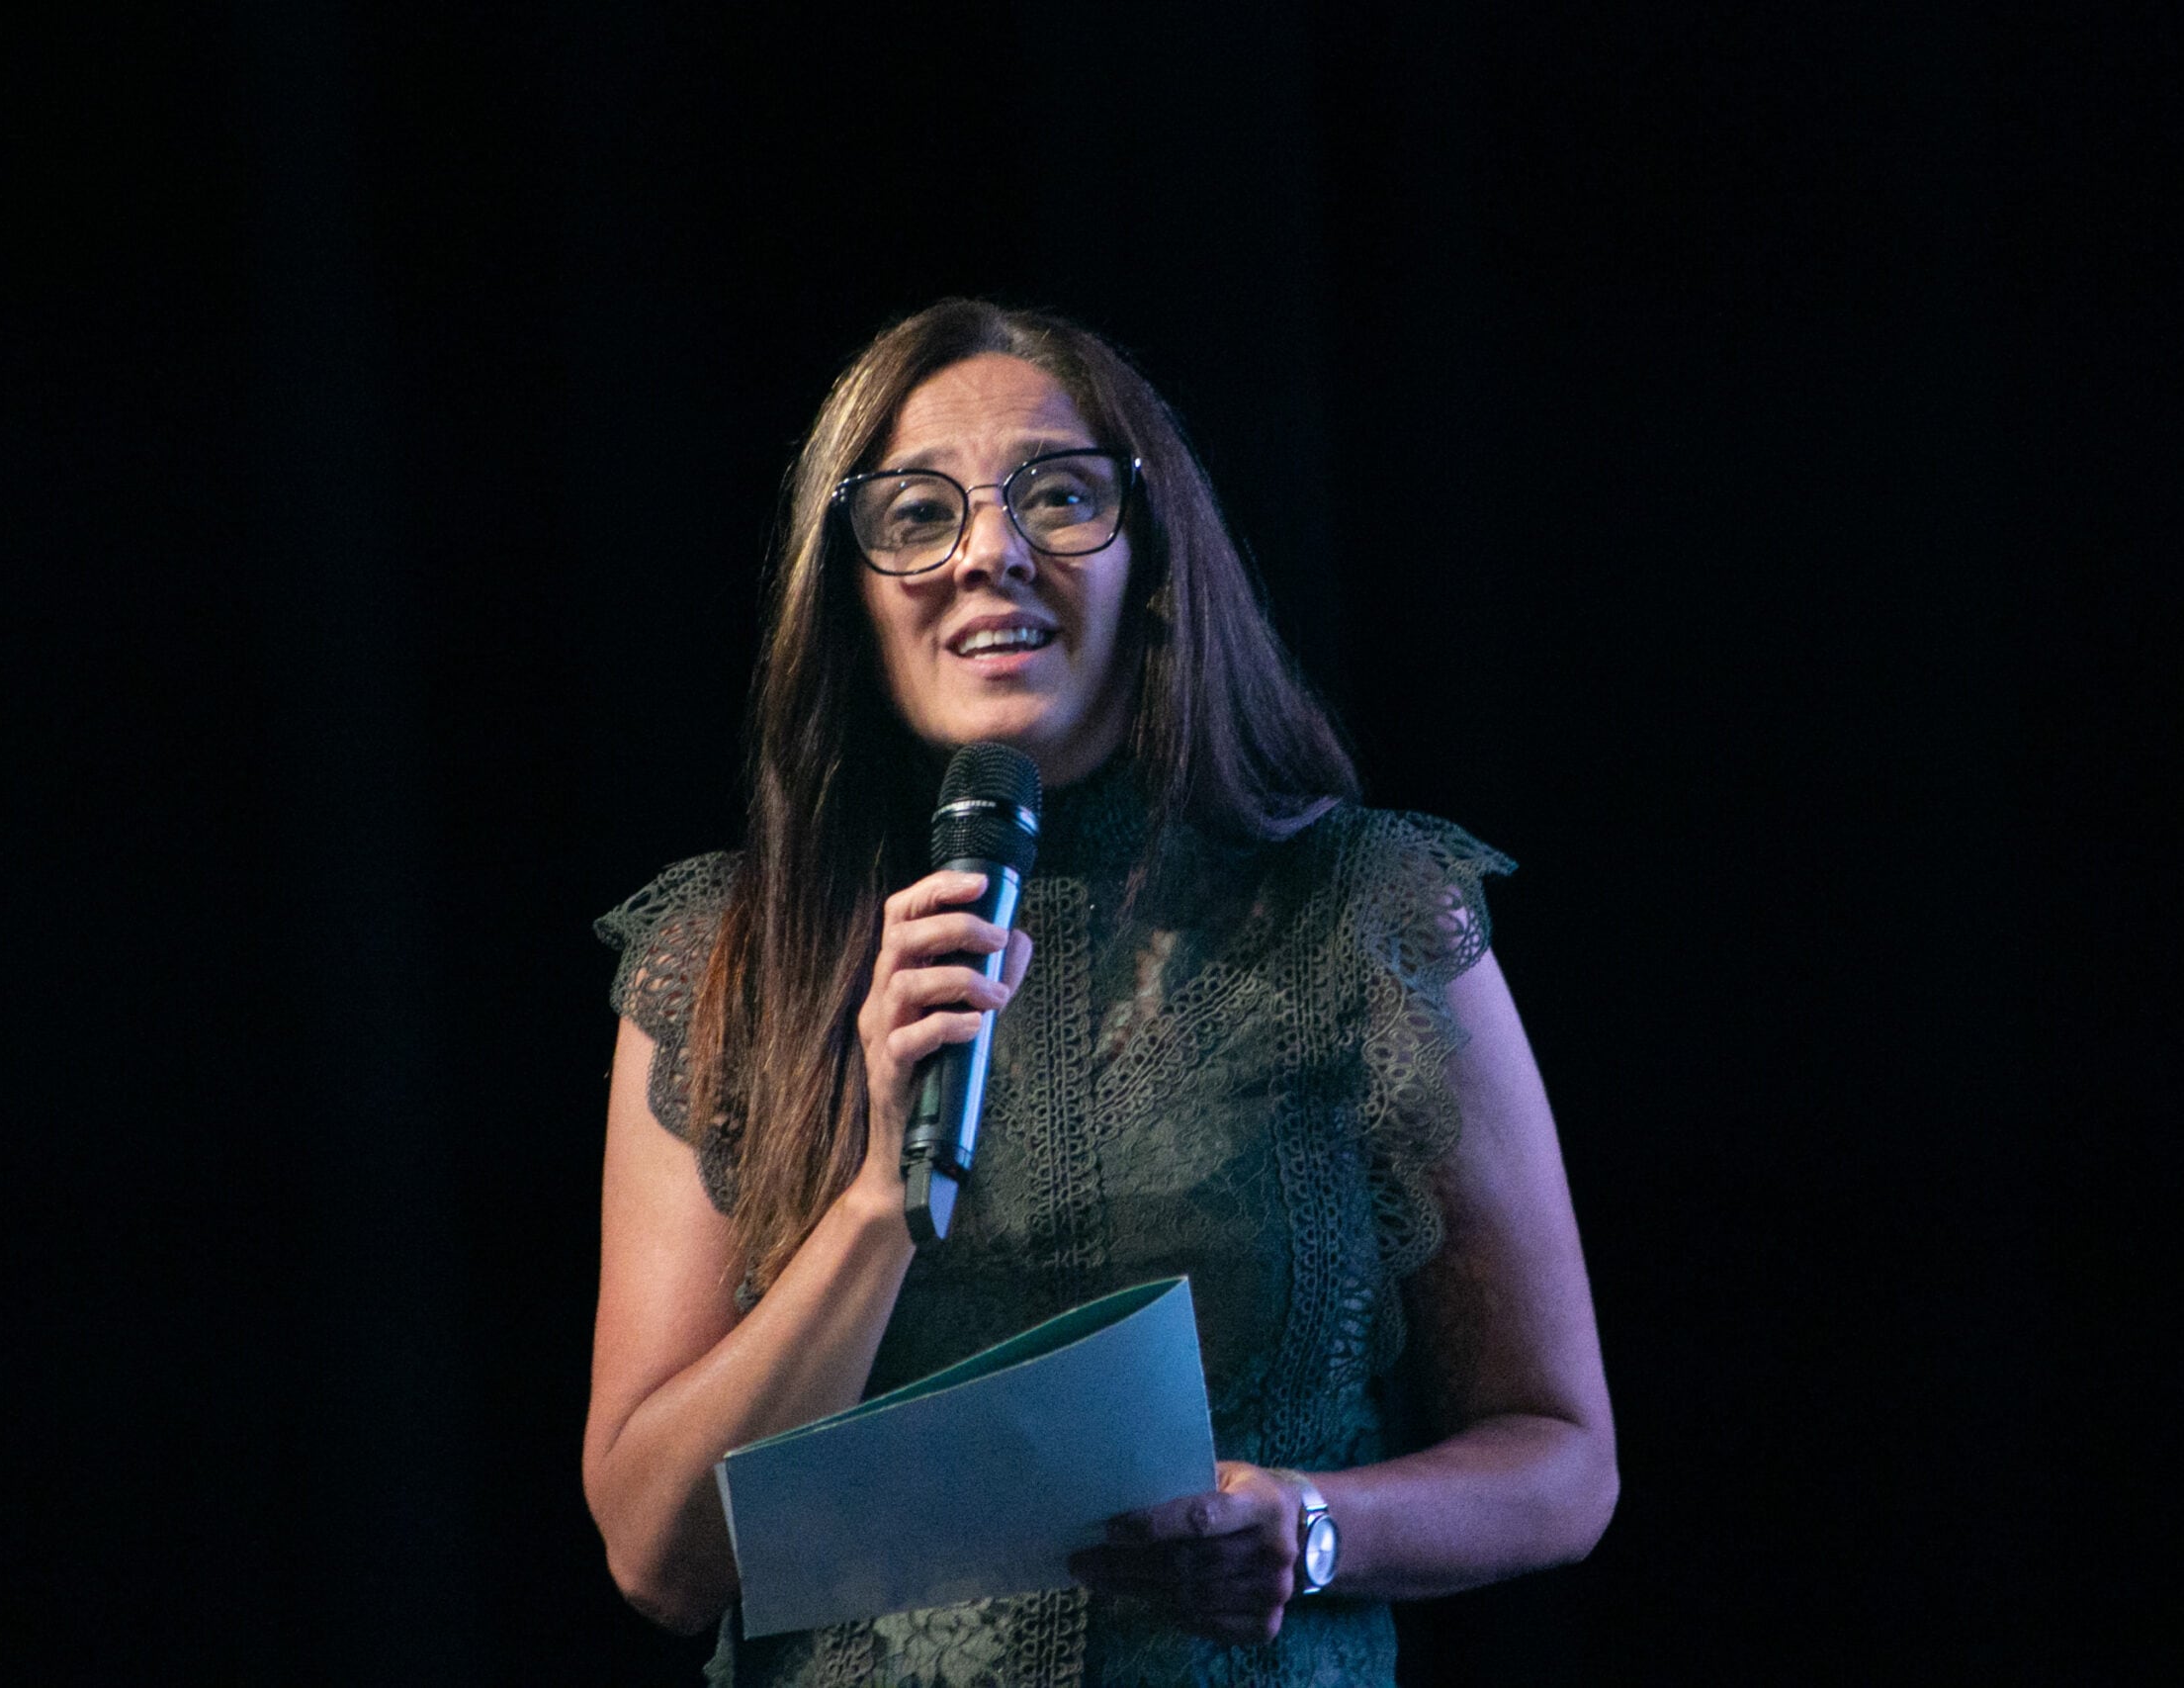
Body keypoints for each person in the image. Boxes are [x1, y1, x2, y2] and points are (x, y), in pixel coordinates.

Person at [583, 299, 1616, 1686]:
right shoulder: (729, 954)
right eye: (917, 514)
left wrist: (1317, 1525)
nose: (992, 550)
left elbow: (1562, 1458)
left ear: (1150, 557)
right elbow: (658, 1556)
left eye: (1059, 497)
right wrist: (884, 1194)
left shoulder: (1364, 916)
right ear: (853, 586)